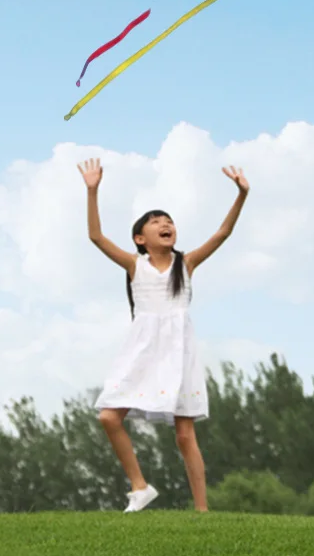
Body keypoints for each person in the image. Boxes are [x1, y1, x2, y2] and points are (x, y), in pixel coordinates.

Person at [80, 157, 250, 513]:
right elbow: (95, 236)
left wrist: (241, 195)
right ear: (140, 239)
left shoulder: (185, 265)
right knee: (109, 417)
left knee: (185, 434)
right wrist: (92, 190)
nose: (165, 224)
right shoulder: (134, 265)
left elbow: (222, 233)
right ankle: (139, 486)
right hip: (141, 350)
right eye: (155, 222)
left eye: (169, 221)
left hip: (177, 353)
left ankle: (202, 512)